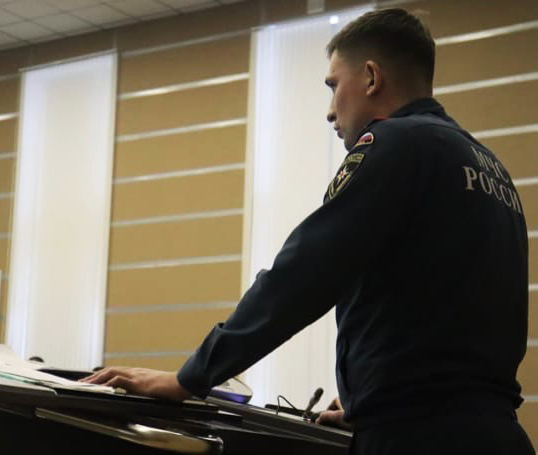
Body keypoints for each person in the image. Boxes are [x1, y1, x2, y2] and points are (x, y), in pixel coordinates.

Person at [84, 8, 534, 454]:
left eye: (334, 86)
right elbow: (450, 310)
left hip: (420, 439)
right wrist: (371, 400)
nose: (330, 111)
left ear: (371, 78)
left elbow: (303, 274)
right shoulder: (488, 168)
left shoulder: (396, 144)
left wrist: (190, 377)